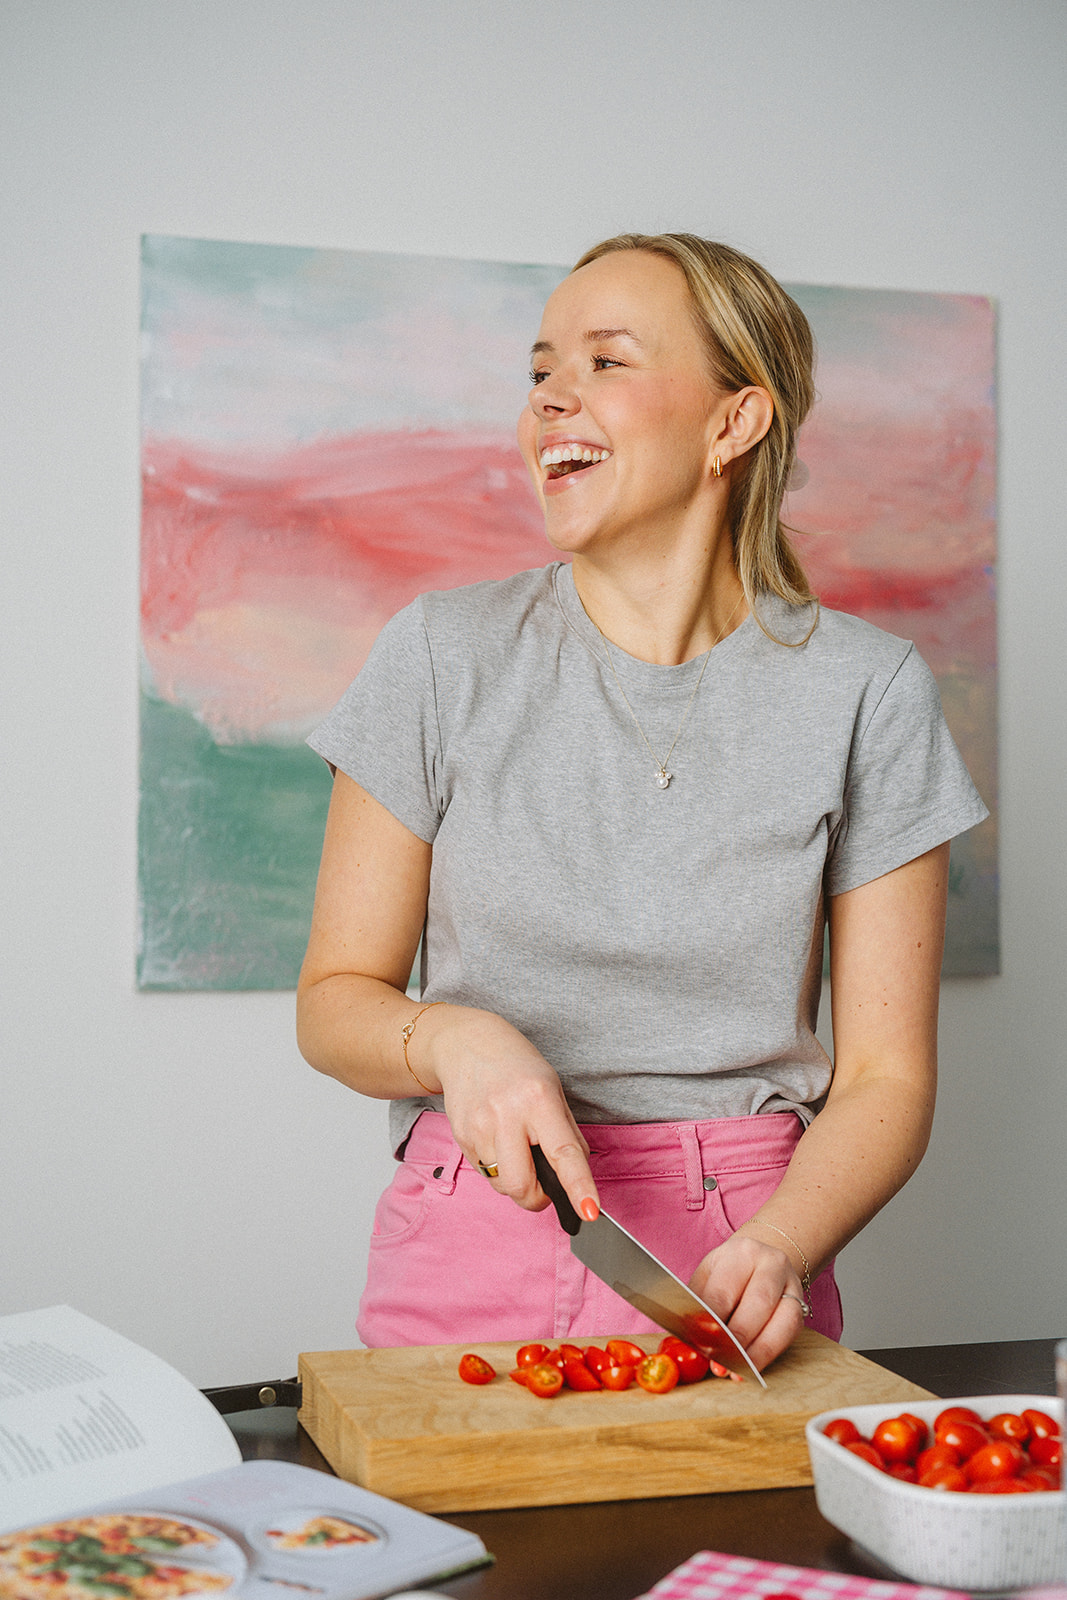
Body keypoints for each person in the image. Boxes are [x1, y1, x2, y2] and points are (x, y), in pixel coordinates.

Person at [296, 232, 988, 1370]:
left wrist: (782, 1246)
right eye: (538, 370)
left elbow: (885, 1078)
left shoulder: (867, 692)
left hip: (744, 1247)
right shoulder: (438, 655)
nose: (548, 397)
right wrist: (455, 1039)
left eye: (606, 361)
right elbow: (333, 1002)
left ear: (733, 421)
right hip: (475, 1222)